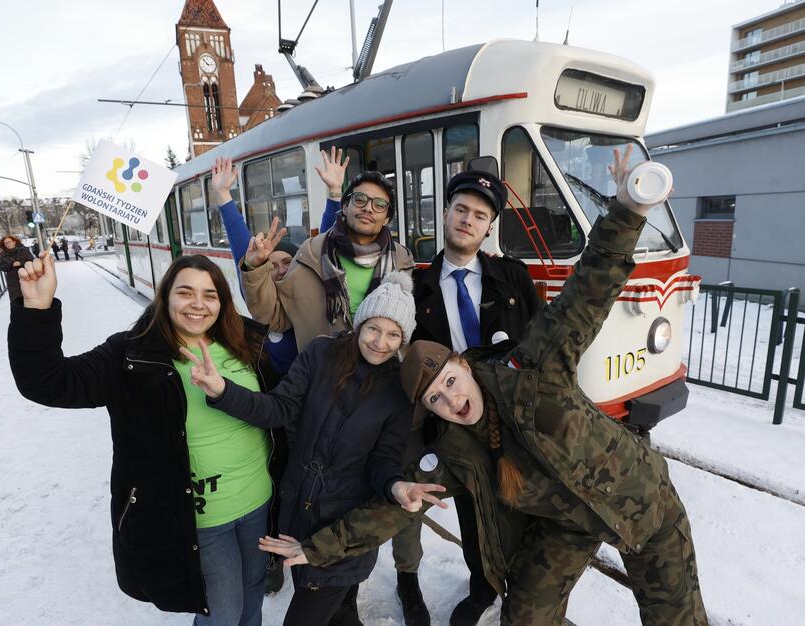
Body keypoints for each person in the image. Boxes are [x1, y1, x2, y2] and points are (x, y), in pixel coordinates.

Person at [259, 147, 709, 625]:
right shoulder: (452, 440)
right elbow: (390, 510)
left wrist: (630, 209)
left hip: (639, 500)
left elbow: (586, 295)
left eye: (450, 382)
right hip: (563, 524)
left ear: (465, 366)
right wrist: (317, 546)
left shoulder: (533, 368)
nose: (451, 399)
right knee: (524, 613)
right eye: (437, 398)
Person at [7, 252, 286, 625]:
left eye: (210, 294)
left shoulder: (250, 342)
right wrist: (36, 308)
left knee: (253, 595)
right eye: (185, 292)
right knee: (222, 612)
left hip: (258, 504)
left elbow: (281, 408)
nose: (198, 304)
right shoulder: (130, 355)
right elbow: (49, 383)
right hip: (201, 518)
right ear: (165, 296)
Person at [183, 273, 417, 626]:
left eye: (393, 334)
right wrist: (222, 391)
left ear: (403, 340)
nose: (380, 343)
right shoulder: (322, 354)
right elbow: (277, 409)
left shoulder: (397, 391)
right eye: (373, 328)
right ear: (360, 323)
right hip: (299, 516)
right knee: (335, 612)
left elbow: (384, 462)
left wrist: (396, 484)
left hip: (343, 533)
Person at [397, 170, 541, 626]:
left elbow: (541, 342)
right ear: (445, 213)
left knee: (522, 505)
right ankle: (481, 586)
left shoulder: (512, 278)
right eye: (461, 209)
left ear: (489, 227)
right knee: (473, 512)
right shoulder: (416, 288)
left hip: (513, 418)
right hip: (456, 424)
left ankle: (524, 590)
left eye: (480, 215)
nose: (467, 220)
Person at [240, 165, 415, 351]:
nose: (368, 208)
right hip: (326, 373)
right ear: (346, 206)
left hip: (384, 374)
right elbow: (276, 317)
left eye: (379, 205)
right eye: (360, 199)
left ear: (387, 218)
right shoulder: (311, 254)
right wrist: (254, 267)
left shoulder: (402, 260)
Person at [210, 151, 342, 377]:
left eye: (287, 263)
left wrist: (335, 192)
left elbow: (326, 243)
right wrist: (223, 194)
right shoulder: (256, 294)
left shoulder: (311, 289)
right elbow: (242, 247)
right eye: (271, 266)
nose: (280, 270)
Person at [0, 234, 35, 301]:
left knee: (30, 299)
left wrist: (21, 263)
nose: (8, 244)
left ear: (14, 241)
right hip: (13, 281)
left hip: (27, 278)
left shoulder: (24, 250)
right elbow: (2, 267)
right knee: (16, 301)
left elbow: (31, 261)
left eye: (10, 241)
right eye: (6, 243)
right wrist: (12, 264)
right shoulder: (3, 254)